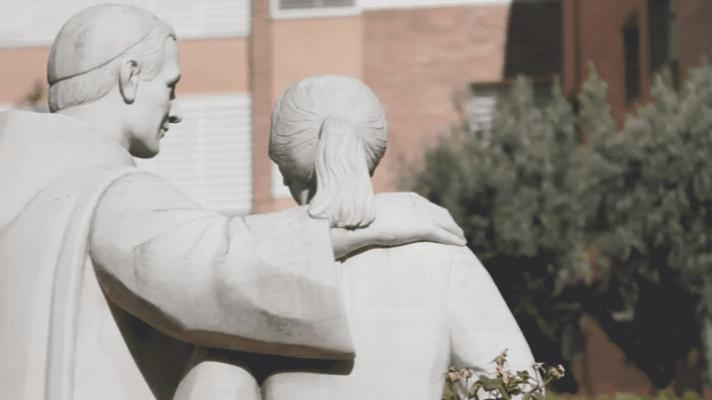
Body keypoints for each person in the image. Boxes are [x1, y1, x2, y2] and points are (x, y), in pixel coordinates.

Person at [0, 5, 464, 400]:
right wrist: (371, 217)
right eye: (170, 87)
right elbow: (218, 264)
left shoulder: (28, 179)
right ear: (130, 77)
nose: (175, 111)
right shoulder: (105, 189)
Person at [173, 75, 540, 400]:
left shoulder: (257, 264)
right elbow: (514, 385)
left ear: (288, 167)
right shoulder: (443, 257)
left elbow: (212, 389)